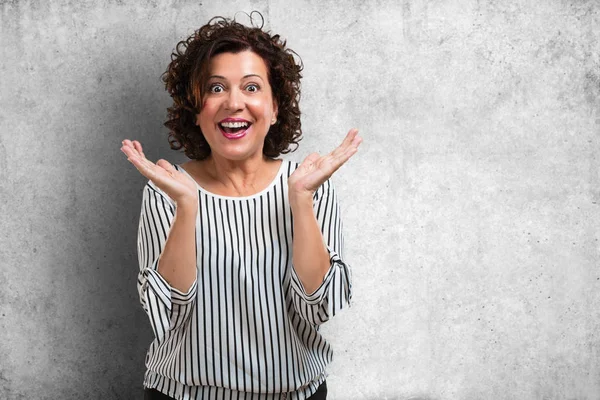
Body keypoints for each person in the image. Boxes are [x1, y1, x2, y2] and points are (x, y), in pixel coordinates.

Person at [120, 14, 362, 400]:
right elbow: (166, 315)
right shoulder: (168, 190)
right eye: (216, 88)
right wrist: (186, 206)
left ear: (275, 106)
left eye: (251, 87)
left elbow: (321, 307)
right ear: (195, 109)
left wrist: (300, 200)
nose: (234, 103)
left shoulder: (309, 184)